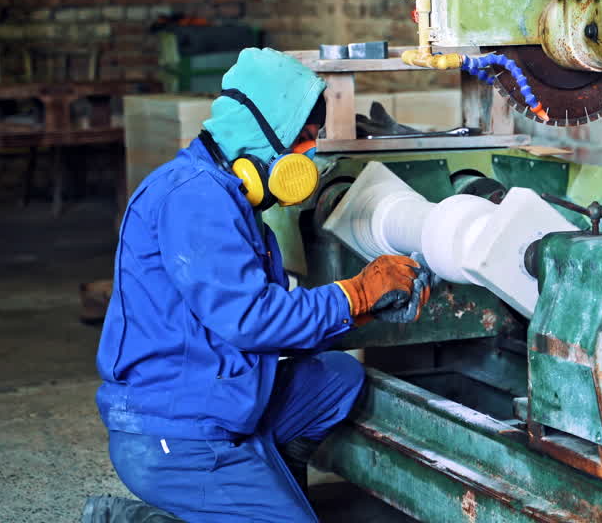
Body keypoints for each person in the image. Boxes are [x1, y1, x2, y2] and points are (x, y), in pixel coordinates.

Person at [82, 48, 428, 522]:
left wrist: (363, 311)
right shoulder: (194, 200)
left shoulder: (234, 204)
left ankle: (264, 483)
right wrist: (355, 292)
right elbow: (252, 320)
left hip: (222, 397)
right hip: (177, 431)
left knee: (336, 379)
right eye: (303, 139)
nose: (309, 155)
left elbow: (269, 323)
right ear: (264, 134)